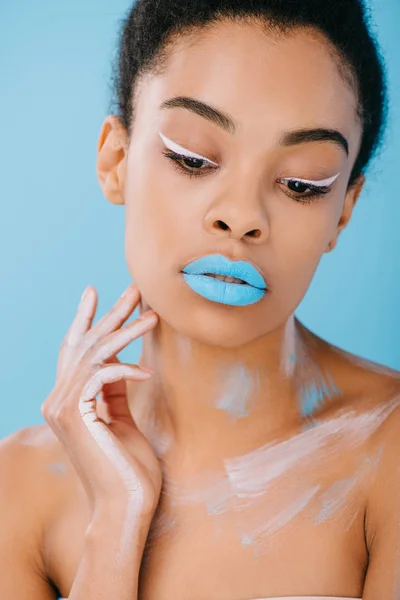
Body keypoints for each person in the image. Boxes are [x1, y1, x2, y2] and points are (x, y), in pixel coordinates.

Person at [0, 0, 399, 598]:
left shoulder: (387, 450)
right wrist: (115, 522)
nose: (241, 217)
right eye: (192, 158)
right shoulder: (19, 487)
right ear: (116, 160)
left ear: (341, 210)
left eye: (301, 183)